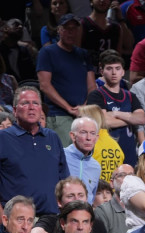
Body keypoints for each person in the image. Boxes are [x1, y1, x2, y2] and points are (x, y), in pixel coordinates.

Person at [0, 86, 69, 223]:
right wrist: (1, 217)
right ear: (14, 110)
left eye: (36, 103)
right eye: (25, 103)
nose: (31, 107)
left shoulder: (52, 137)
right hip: (16, 219)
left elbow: (64, 181)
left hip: (51, 218)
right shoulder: (0, 139)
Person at [36, 14, 97, 146]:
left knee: (85, 155)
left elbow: (92, 86)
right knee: (65, 156)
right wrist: (68, 108)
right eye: (66, 28)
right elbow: (44, 85)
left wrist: (85, 107)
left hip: (83, 114)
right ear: (59, 30)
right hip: (59, 115)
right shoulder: (47, 52)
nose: (70, 32)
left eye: (74, 28)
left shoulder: (83, 54)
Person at [87, 51, 145, 167]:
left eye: (117, 68)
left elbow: (141, 118)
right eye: (109, 68)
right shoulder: (96, 95)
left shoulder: (130, 95)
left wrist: (115, 113)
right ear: (102, 71)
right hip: (107, 154)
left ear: (123, 72)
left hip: (129, 153)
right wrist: (130, 117)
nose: (114, 72)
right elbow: (103, 121)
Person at [64, 117, 102, 205]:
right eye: (83, 132)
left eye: (92, 133)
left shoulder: (96, 167)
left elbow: (91, 198)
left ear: (96, 138)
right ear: (73, 136)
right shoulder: (60, 156)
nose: (88, 138)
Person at [95, 164, 131, 233]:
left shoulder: (142, 209)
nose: (128, 179)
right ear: (112, 183)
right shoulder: (102, 211)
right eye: (122, 175)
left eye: (132, 175)